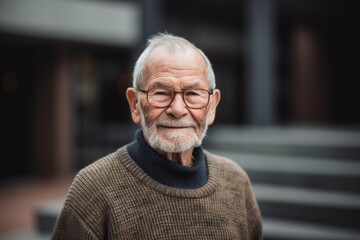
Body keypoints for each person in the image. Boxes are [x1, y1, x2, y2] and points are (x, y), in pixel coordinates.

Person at [52, 33, 262, 240]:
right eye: (161, 93)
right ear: (135, 104)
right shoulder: (93, 189)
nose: (178, 109)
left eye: (192, 94)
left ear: (212, 106)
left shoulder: (236, 182)